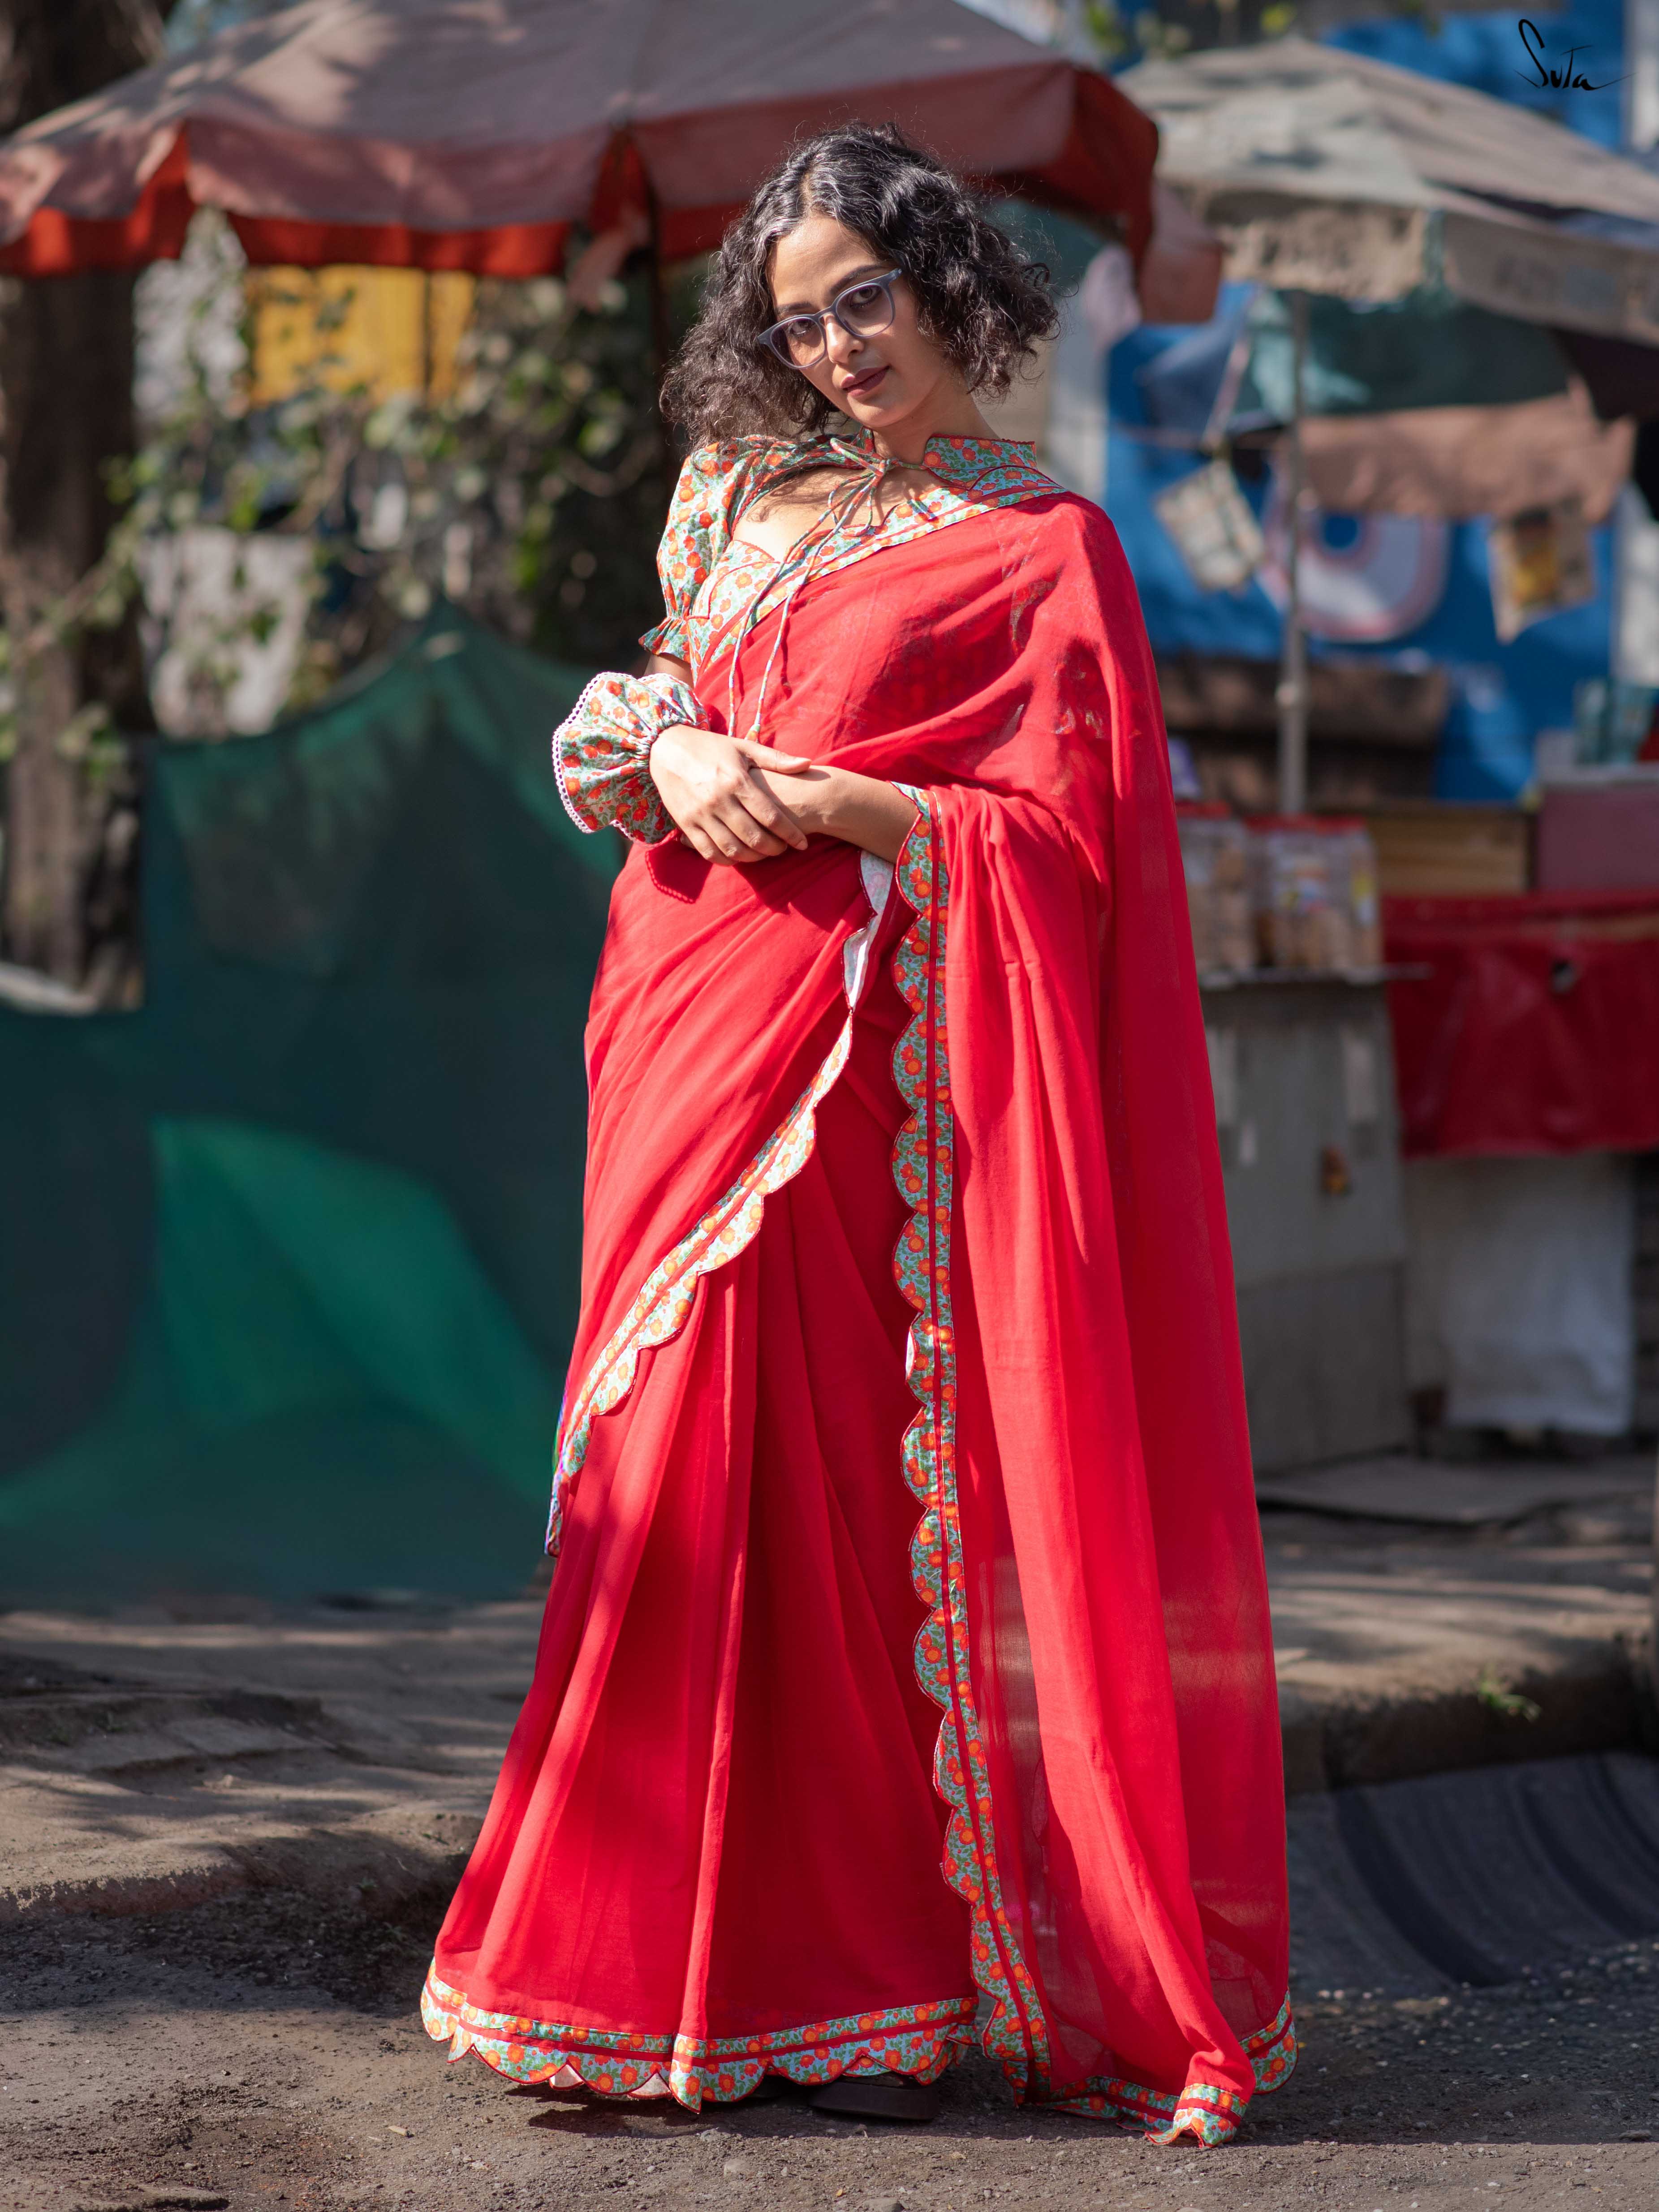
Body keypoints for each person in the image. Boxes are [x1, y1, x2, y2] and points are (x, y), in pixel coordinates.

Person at [422, 123, 1293, 2146]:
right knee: (659, 1490)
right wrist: (663, 743)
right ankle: (611, 1959)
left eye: (864, 301)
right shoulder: (732, 487)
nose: (832, 348)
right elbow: (639, 709)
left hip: (866, 1080)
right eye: (797, 319)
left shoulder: (1043, 546)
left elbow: (1068, 856)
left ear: (946, 285)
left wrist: (840, 804)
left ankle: (864, 1980)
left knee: (827, 1499)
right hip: (676, 1033)